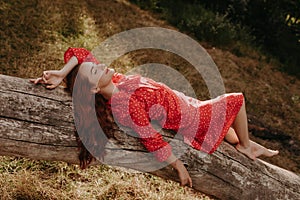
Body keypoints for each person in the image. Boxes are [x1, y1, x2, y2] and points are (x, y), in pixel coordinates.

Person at [30, 47, 279, 187]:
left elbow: (79, 52)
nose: (100, 64)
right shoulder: (127, 106)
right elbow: (153, 141)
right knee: (237, 99)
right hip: (194, 118)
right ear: (94, 88)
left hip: (189, 102)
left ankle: (247, 144)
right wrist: (180, 168)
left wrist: (63, 72)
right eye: (96, 70)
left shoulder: (113, 82)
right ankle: (247, 147)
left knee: (228, 131)